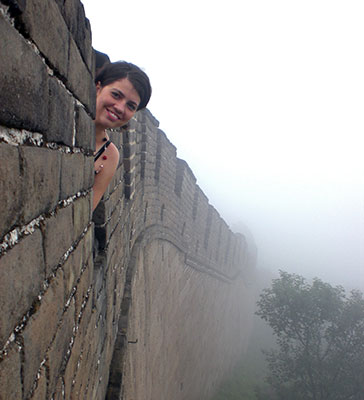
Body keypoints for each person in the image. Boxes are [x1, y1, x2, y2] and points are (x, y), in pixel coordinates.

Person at [93, 61, 152, 210]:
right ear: (98, 87)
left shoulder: (109, 156)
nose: (120, 108)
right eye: (116, 95)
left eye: (131, 106)